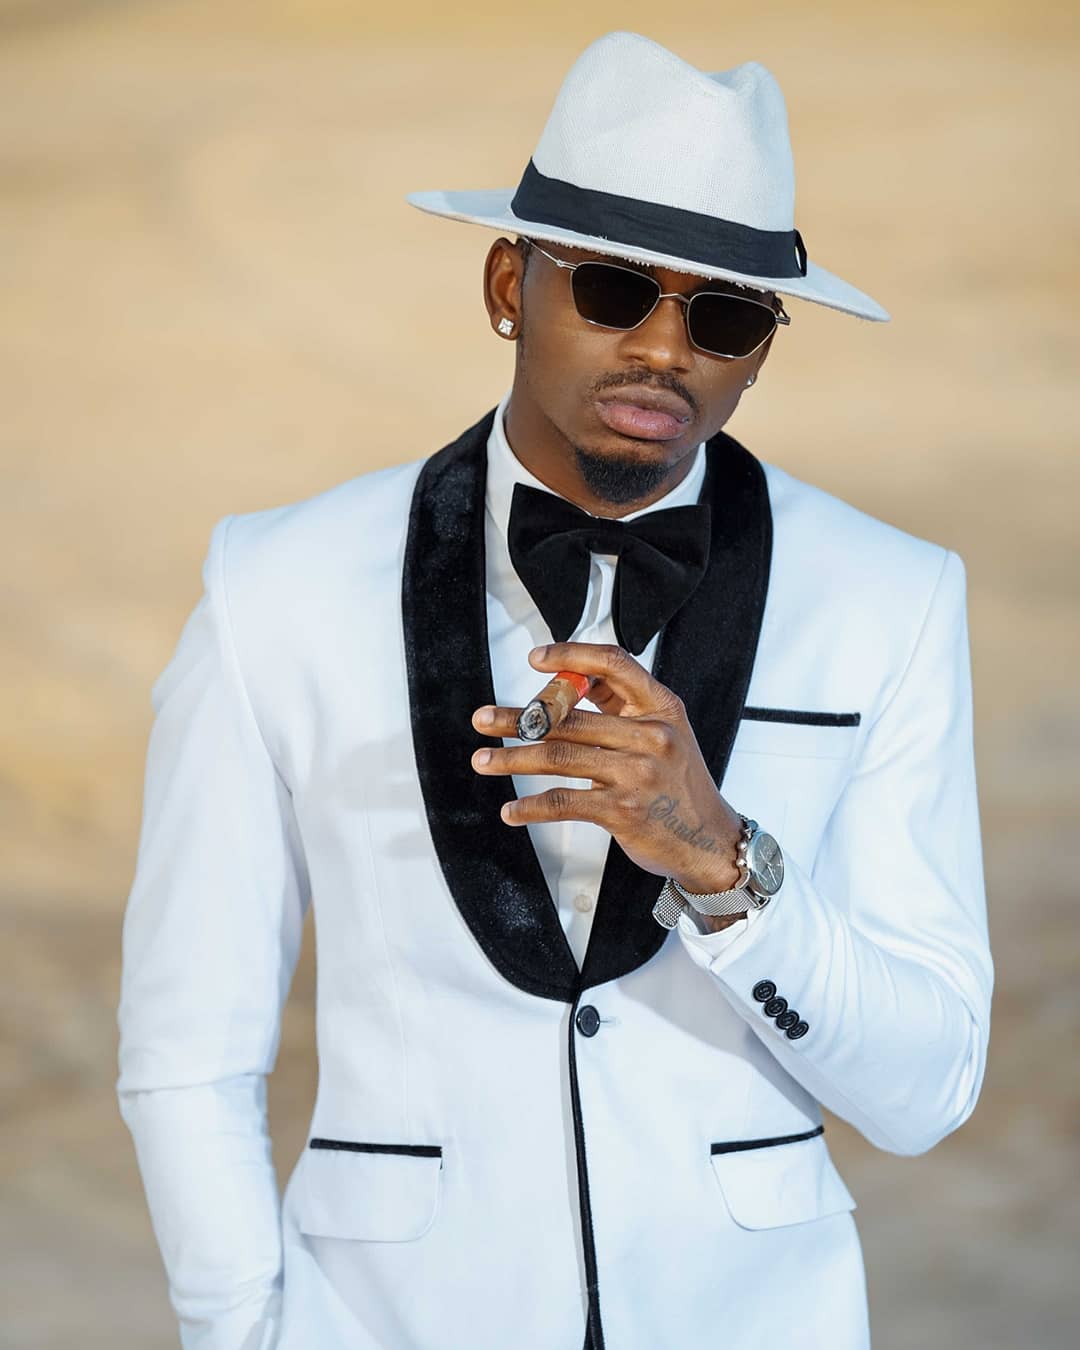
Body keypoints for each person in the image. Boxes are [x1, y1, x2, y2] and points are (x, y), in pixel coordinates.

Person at [116, 30, 993, 1350]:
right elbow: (187, 1045)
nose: (665, 349)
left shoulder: (890, 598)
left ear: (762, 351)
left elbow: (927, 1090)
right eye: (615, 289)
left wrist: (725, 866)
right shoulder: (276, 587)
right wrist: (244, 1332)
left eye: (724, 315)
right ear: (506, 284)